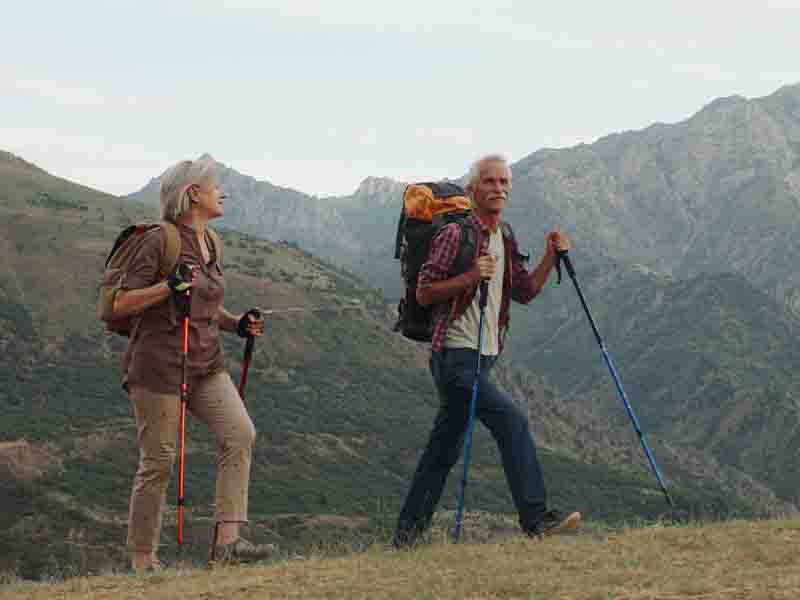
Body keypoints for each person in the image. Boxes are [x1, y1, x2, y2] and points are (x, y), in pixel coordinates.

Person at [393, 154, 581, 548]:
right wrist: (470, 276)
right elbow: (424, 292)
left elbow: (524, 291)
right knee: (512, 422)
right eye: (490, 182)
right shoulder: (455, 235)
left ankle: (406, 537)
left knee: (442, 450)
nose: (499, 188)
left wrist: (551, 253)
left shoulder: (504, 236)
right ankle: (535, 519)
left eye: (503, 182)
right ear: (473, 189)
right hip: (455, 356)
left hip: (483, 357)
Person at [111, 158, 272, 570]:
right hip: (158, 366)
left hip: (205, 363)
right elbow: (122, 302)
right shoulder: (159, 241)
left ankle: (227, 545)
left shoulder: (212, 242)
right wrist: (168, 286)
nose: (222, 192)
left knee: (240, 433)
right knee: (160, 461)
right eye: (215, 186)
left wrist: (237, 324)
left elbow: (202, 303)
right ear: (193, 193)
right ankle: (144, 560)